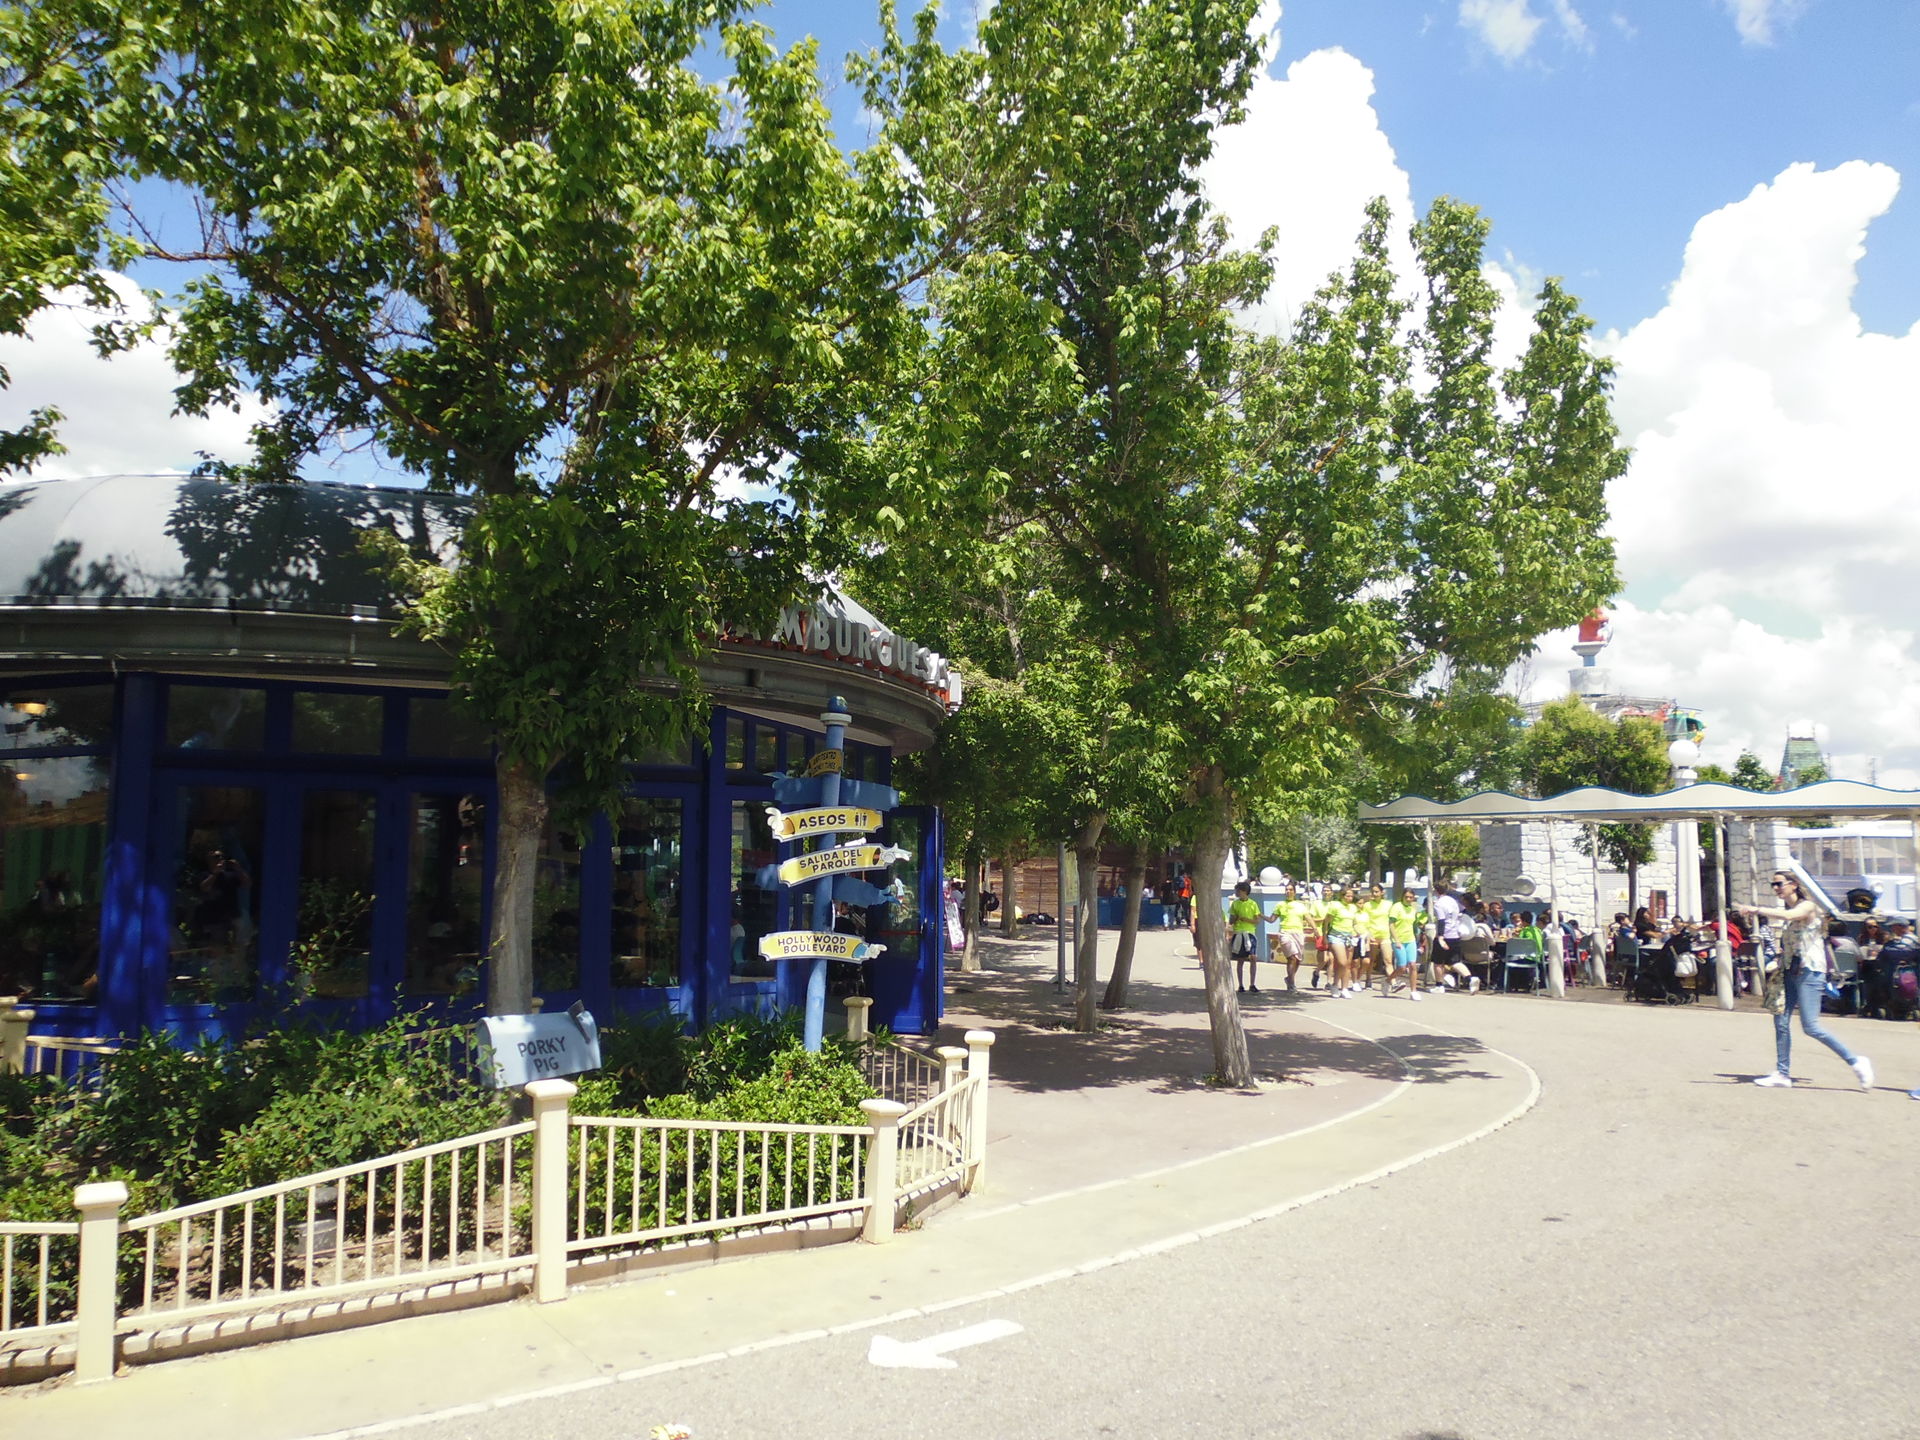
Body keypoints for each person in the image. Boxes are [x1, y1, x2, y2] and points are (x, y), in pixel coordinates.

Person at [1739, 871, 1872, 1090]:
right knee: (1780, 1020)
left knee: (1811, 1026)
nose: (1776, 888)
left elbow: (1791, 916)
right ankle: (1782, 1073)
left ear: (1793, 884)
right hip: (1790, 970)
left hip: (1810, 971)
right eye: (1773, 884)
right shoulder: (1791, 911)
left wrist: (1756, 909)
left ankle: (1856, 1061)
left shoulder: (1807, 906)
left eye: (1779, 884)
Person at [1428, 878, 1477, 992]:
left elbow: (1441, 921)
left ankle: (1439, 986)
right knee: (1455, 961)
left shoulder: (1438, 904)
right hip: (1455, 935)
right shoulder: (1453, 901)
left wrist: (1440, 937)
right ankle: (1470, 978)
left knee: (1438, 962)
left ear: (1436, 890)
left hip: (1445, 935)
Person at [1385, 888, 1423, 1001]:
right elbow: (1391, 924)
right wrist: (1396, 940)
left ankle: (1413, 991)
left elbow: (1414, 925)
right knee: (1402, 967)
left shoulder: (1413, 909)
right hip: (1399, 940)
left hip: (1410, 940)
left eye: (1411, 897)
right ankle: (1388, 981)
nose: (1408, 899)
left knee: (1412, 965)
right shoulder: (1396, 907)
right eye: (1406, 897)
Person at [1228, 880, 1262, 994]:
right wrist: (1236, 918)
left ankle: (1252, 984)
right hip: (1238, 933)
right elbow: (1231, 920)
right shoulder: (1235, 904)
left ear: (1244, 891)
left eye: (1238, 891)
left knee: (1253, 958)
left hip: (1250, 933)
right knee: (1240, 960)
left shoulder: (1253, 904)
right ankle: (1241, 985)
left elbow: (1257, 920)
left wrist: (1246, 919)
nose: (1236, 893)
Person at [1274, 883, 1309, 992]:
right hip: (1285, 932)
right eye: (1286, 890)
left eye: (1290, 890)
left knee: (1298, 959)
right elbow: (1272, 919)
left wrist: (1316, 930)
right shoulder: (1280, 905)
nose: (1288, 892)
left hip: (1298, 933)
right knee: (1291, 957)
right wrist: (1259, 915)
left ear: (1294, 892)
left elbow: (1308, 917)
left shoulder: (1300, 905)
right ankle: (1292, 984)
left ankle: (1289, 978)